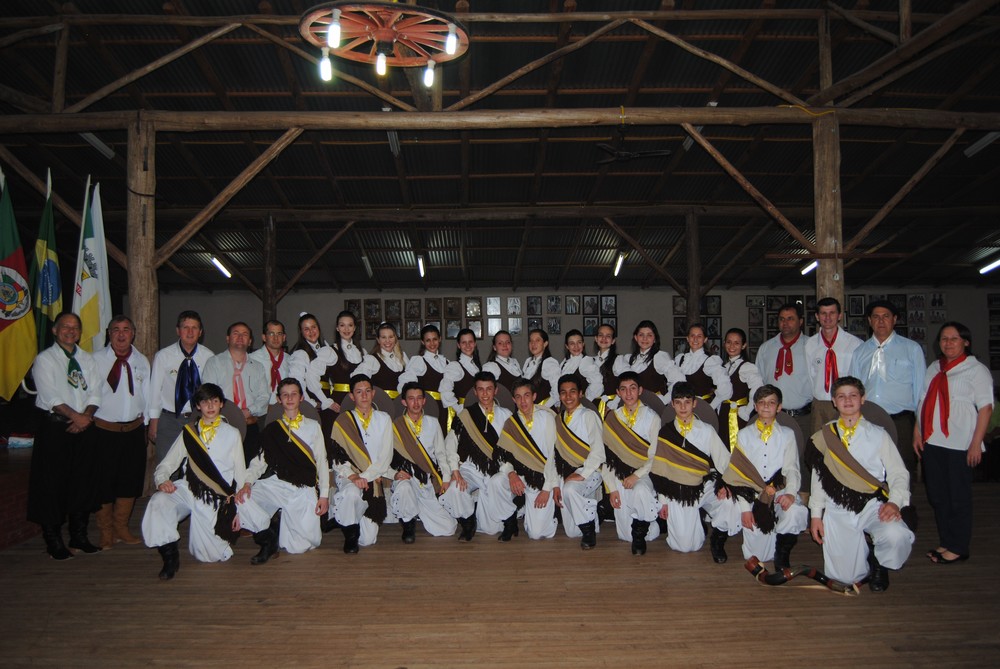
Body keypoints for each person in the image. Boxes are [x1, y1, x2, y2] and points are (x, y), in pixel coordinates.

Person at [806, 376, 914, 591]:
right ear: (834, 401)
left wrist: (894, 502)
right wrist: (816, 515)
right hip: (837, 506)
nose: (847, 400)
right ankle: (862, 555)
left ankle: (879, 561)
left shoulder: (878, 434)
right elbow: (818, 478)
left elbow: (898, 473)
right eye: (841, 396)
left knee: (896, 535)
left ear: (862, 399)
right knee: (843, 578)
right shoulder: (824, 435)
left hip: (872, 504)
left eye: (853, 395)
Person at [142, 383, 248, 580]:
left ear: (221, 404)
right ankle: (170, 556)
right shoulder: (189, 432)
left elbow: (241, 475)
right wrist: (162, 480)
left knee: (209, 556)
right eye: (205, 402)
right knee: (159, 501)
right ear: (198, 406)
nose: (210, 406)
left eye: (214, 401)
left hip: (215, 496)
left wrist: (238, 510)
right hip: (189, 488)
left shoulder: (232, 434)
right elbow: (167, 464)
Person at [914, 322, 993, 565]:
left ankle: (959, 547)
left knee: (958, 496)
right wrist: (917, 431)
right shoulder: (934, 367)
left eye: (954, 338)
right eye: (944, 339)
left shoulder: (976, 369)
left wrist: (976, 443)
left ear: (966, 342)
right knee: (938, 495)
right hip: (932, 440)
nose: (948, 343)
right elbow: (923, 401)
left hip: (960, 443)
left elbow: (986, 408)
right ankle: (947, 541)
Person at [27, 311, 103, 559]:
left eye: (75, 328)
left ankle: (79, 536)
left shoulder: (87, 359)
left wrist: (86, 417)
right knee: (52, 484)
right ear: (55, 330)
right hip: (56, 428)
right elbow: (50, 396)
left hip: (84, 427)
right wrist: (76, 417)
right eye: (65, 327)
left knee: (83, 483)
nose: (71, 331)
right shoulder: (45, 359)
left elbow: (96, 391)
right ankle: (53, 541)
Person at [716, 385, 808, 570]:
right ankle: (718, 541)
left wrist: (790, 493)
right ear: (755, 406)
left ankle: (782, 554)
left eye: (771, 402)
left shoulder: (787, 435)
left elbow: (792, 468)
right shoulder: (744, 435)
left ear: (779, 407)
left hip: (778, 491)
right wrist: (745, 509)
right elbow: (739, 475)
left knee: (795, 511)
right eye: (762, 402)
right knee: (757, 555)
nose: (766, 406)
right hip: (752, 493)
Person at [237, 378, 329, 564]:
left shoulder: (313, 427)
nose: (289, 398)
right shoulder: (272, 430)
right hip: (279, 485)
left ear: (301, 397)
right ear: (279, 399)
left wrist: (324, 495)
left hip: (303, 489)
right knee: (242, 497)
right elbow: (259, 462)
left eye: (294, 394)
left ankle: (281, 525)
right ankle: (268, 537)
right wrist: (247, 483)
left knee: (299, 547)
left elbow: (322, 461)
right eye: (285, 395)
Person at [650, 382, 737, 560]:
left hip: (703, 485)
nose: (683, 407)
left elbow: (725, 461)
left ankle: (718, 540)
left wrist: (727, 485)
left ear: (694, 403)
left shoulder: (707, 430)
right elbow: (661, 471)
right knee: (685, 546)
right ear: (672, 404)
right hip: (677, 490)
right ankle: (697, 522)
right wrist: (663, 501)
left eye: (687, 402)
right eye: (678, 402)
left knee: (730, 501)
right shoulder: (666, 433)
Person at [91, 315, 150, 549]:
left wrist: (147, 425)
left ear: (133, 333)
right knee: (103, 482)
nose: (121, 334)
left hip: (134, 430)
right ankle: (106, 531)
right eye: (116, 329)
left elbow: (147, 395)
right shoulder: (95, 360)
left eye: (126, 329)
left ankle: (121, 527)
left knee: (130, 480)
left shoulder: (141, 360)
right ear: (109, 333)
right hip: (103, 430)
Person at [850, 299, 926, 476]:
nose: (881, 321)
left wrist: (919, 426)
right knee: (870, 469)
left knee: (902, 469)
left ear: (895, 319)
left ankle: (903, 496)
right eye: (876, 317)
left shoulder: (911, 349)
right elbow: (854, 390)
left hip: (901, 421)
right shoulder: (860, 352)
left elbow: (921, 391)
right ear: (869, 321)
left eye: (886, 316)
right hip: (869, 420)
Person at [439, 371, 512, 540]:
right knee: (456, 488)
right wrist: (455, 471)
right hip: (471, 468)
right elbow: (450, 444)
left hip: (497, 470)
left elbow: (512, 448)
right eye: (480, 389)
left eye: (489, 389)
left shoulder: (506, 415)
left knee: (491, 529)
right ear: (475, 391)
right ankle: (468, 522)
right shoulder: (465, 415)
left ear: (495, 391)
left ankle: (503, 517)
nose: (485, 394)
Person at [485, 378, 559, 541]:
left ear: (534, 396)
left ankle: (548, 515)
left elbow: (554, 456)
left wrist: (547, 489)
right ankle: (509, 520)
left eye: (526, 395)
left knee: (536, 534)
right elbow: (502, 455)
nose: (523, 401)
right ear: (513, 399)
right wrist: (511, 474)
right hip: (520, 475)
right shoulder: (511, 423)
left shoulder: (547, 418)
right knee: (496, 482)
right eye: (518, 397)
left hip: (542, 478)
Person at [329, 374, 393, 553]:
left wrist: (364, 477)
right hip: (348, 475)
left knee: (368, 539)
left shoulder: (384, 419)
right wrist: (353, 476)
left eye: (367, 391)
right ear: (352, 396)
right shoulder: (343, 421)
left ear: (373, 393)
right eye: (359, 392)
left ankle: (342, 517)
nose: (364, 395)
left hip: (373, 477)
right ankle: (350, 535)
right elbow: (337, 457)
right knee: (351, 492)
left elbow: (385, 457)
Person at [601, 371, 662, 555]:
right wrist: (611, 488)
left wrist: (637, 475)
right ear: (618, 393)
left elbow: (656, 456)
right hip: (619, 475)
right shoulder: (612, 418)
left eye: (633, 388)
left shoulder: (652, 417)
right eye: (623, 389)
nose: (628, 393)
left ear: (640, 390)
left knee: (640, 490)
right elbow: (606, 457)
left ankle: (640, 534)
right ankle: (649, 526)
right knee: (625, 535)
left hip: (644, 473)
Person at [389, 382, 457, 542]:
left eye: (419, 398)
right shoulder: (395, 426)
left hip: (426, 480)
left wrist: (445, 478)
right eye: (411, 399)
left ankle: (416, 509)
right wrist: (394, 474)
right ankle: (408, 526)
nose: (416, 403)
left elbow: (441, 454)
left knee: (448, 528)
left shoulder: (433, 423)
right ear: (404, 402)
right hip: (406, 477)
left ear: (424, 400)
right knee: (404, 488)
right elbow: (385, 457)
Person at [148, 310, 214, 464]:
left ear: (200, 332)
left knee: (196, 464)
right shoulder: (163, 356)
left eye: (194, 328)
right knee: (167, 465)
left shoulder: (209, 357)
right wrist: (153, 422)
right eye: (185, 327)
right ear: (178, 330)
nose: (190, 332)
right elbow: (155, 390)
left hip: (198, 418)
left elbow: (211, 392)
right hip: (169, 420)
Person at [202, 321, 270, 465]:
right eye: (236, 333)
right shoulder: (214, 363)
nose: (240, 337)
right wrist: (233, 414)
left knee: (249, 469)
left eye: (245, 334)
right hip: (222, 426)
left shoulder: (258, 367)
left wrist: (248, 411)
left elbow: (264, 397)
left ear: (250, 341)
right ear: (228, 338)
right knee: (223, 468)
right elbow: (208, 395)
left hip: (250, 426)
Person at [552, 375, 606, 549]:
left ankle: (589, 531)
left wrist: (582, 474)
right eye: (563, 392)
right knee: (571, 531)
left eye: (572, 392)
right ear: (559, 395)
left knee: (570, 489)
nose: (568, 396)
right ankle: (595, 515)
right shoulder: (558, 419)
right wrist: (555, 484)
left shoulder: (589, 415)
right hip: (566, 471)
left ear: (581, 393)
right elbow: (554, 456)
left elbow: (598, 452)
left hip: (590, 470)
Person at [755, 303, 813, 451]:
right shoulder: (766, 348)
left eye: (790, 319)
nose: (785, 323)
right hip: (774, 417)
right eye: (781, 319)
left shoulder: (812, 346)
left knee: (803, 457)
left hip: (803, 417)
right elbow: (758, 382)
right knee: (772, 455)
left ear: (800, 321)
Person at [805, 298, 862, 435]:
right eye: (823, 313)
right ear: (817, 317)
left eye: (832, 313)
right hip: (820, 404)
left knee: (846, 442)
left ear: (840, 315)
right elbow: (810, 376)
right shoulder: (810, 344)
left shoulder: (855, 344)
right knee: (819, 443)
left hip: (847, 403)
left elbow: (859, 377)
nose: (828, 317)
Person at [613, 320, 684, 405]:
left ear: (655, 339)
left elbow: (679, 380)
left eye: (649, 335)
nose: (645, 338)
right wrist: (614, 404)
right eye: (641, 335)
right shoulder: (629, 359)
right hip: (632, 406)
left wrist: (663, 400)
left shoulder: (660, 357)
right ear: (636, 337)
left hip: (653, 407)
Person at [398, 324, 450, 434]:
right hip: (427, 407)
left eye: (434, 339)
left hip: (444, 408)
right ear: (423, 342)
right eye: (428, 340)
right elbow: (405, 385)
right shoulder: (419, 361)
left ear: (440, 339)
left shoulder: (446, 362)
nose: (432, 343)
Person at [718, 328, 762, 451]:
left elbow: (758, 389)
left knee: (738, 449)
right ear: (724, 343)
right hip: (723, 414)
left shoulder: (746, 367)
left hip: (737, 416)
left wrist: (747, 411)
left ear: (743, 345)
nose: (732, 346)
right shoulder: (723, 367)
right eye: (729, 342)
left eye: (736, 343)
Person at [674, 322, 732, 411]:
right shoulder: (680, 359)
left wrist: (710, 408)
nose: (695, 339)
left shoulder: (710, 361)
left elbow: (725, 389)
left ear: (705, 339)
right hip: (682, 409)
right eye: (692, 336)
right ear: (687, 338)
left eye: (699, 336)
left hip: (702, 409)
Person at [439, 328, 483, 423]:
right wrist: (459, 409)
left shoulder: (476, 366)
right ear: (458, 345)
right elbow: (445, 391)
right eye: (464, 342)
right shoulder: (455, 366)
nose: (468, 345)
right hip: (463, 414)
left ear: (475, 343)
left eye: (470, 342)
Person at [356, 321, 409, 399]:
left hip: (400, 404)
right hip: (381, 403)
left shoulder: (403, 357)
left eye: (391, 337)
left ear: (395, 338)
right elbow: (357, 380)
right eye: (383, 337)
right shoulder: (372, 359)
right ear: (378, 340)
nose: (387, 341)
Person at [288, 312, 327, 407]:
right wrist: (311, 404)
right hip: (314, 402)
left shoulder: (324, 347)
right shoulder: (300, 354)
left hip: (327, 399)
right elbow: (297, 383)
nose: (311, 331)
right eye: (306, 329)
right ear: (301, 332)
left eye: (313, 327)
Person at [557, 329, 603, 405]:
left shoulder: (586, 361)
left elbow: (597, 384)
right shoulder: (564, 363)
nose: (576, 346)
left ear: (583, 344)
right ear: (567, 346)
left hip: (581, 406)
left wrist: (585, 400)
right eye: (572, 343)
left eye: (579, 342)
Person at [249, 319, 289, 404]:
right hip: (260, 408)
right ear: (264, 337)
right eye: (271, 334)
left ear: (284, 337)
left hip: (285, 407)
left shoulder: (290, 360)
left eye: (279, 334)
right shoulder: (252, 359)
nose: (275, 338)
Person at [521, 329, 561, 406]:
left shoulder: (549, 363)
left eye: (537, 340)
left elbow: (557, 392)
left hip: (545, 409)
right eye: (531, 341)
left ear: (545, 343)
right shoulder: (528, 362)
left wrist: (542, 408)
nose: (533, 344)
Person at [589, 323, 618, 417]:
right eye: (601, 335)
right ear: (596, 338)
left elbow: (626, 383)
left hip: (610, 408)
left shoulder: (618, 360)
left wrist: (615, 402)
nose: (604, 338)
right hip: (592, 407)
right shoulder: (590, 361)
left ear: (613, 341)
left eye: (608, 336)